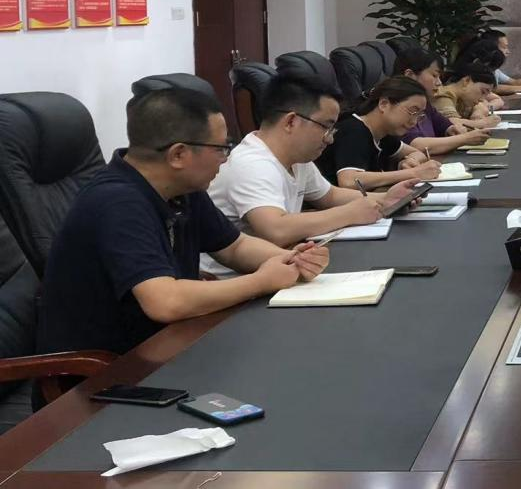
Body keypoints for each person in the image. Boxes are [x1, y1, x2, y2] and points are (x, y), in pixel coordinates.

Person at [37, 88, 330, 360]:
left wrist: (291, 259)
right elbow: (165, 301)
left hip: (170, 344)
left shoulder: (181, 188)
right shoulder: (116, 202)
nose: (225, 160)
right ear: (178, 154)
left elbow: (234, 247)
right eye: (221, 149)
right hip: (106, 373)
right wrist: (260, 281)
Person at [203, 74, 426, 274]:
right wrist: (349, 214)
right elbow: (276, 229)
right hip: (232, 280)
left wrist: (387, 199)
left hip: (283, 264)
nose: (330, 138)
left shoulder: (297, 158)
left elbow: (330, 195)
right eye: (326, 127)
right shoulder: (252, 163)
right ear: (291, 121)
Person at [316, 76, 443, 189]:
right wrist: (412, 173)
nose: (414, 122)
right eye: (412, 111)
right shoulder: (353, 130)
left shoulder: (383, 132)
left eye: (419, 115)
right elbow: (349, 181)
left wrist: (408, 162)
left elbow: (417, 153)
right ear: (384, 104)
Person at [393, 47, 492, 154]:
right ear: (410, 75)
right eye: (434, 75)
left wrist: (453, 129)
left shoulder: (425, 103)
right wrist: (464, 139)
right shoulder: (396, 104)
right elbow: (415, 145)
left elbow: (444, 125)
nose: (439, 83)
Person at [432, 63, 501, 127]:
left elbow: (482, 106)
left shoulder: (463, 98)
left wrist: (478, 111)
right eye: (483, 92)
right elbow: (452, 123)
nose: (481, 99)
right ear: (466, 81)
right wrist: (483, 123)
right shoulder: (443, 96)